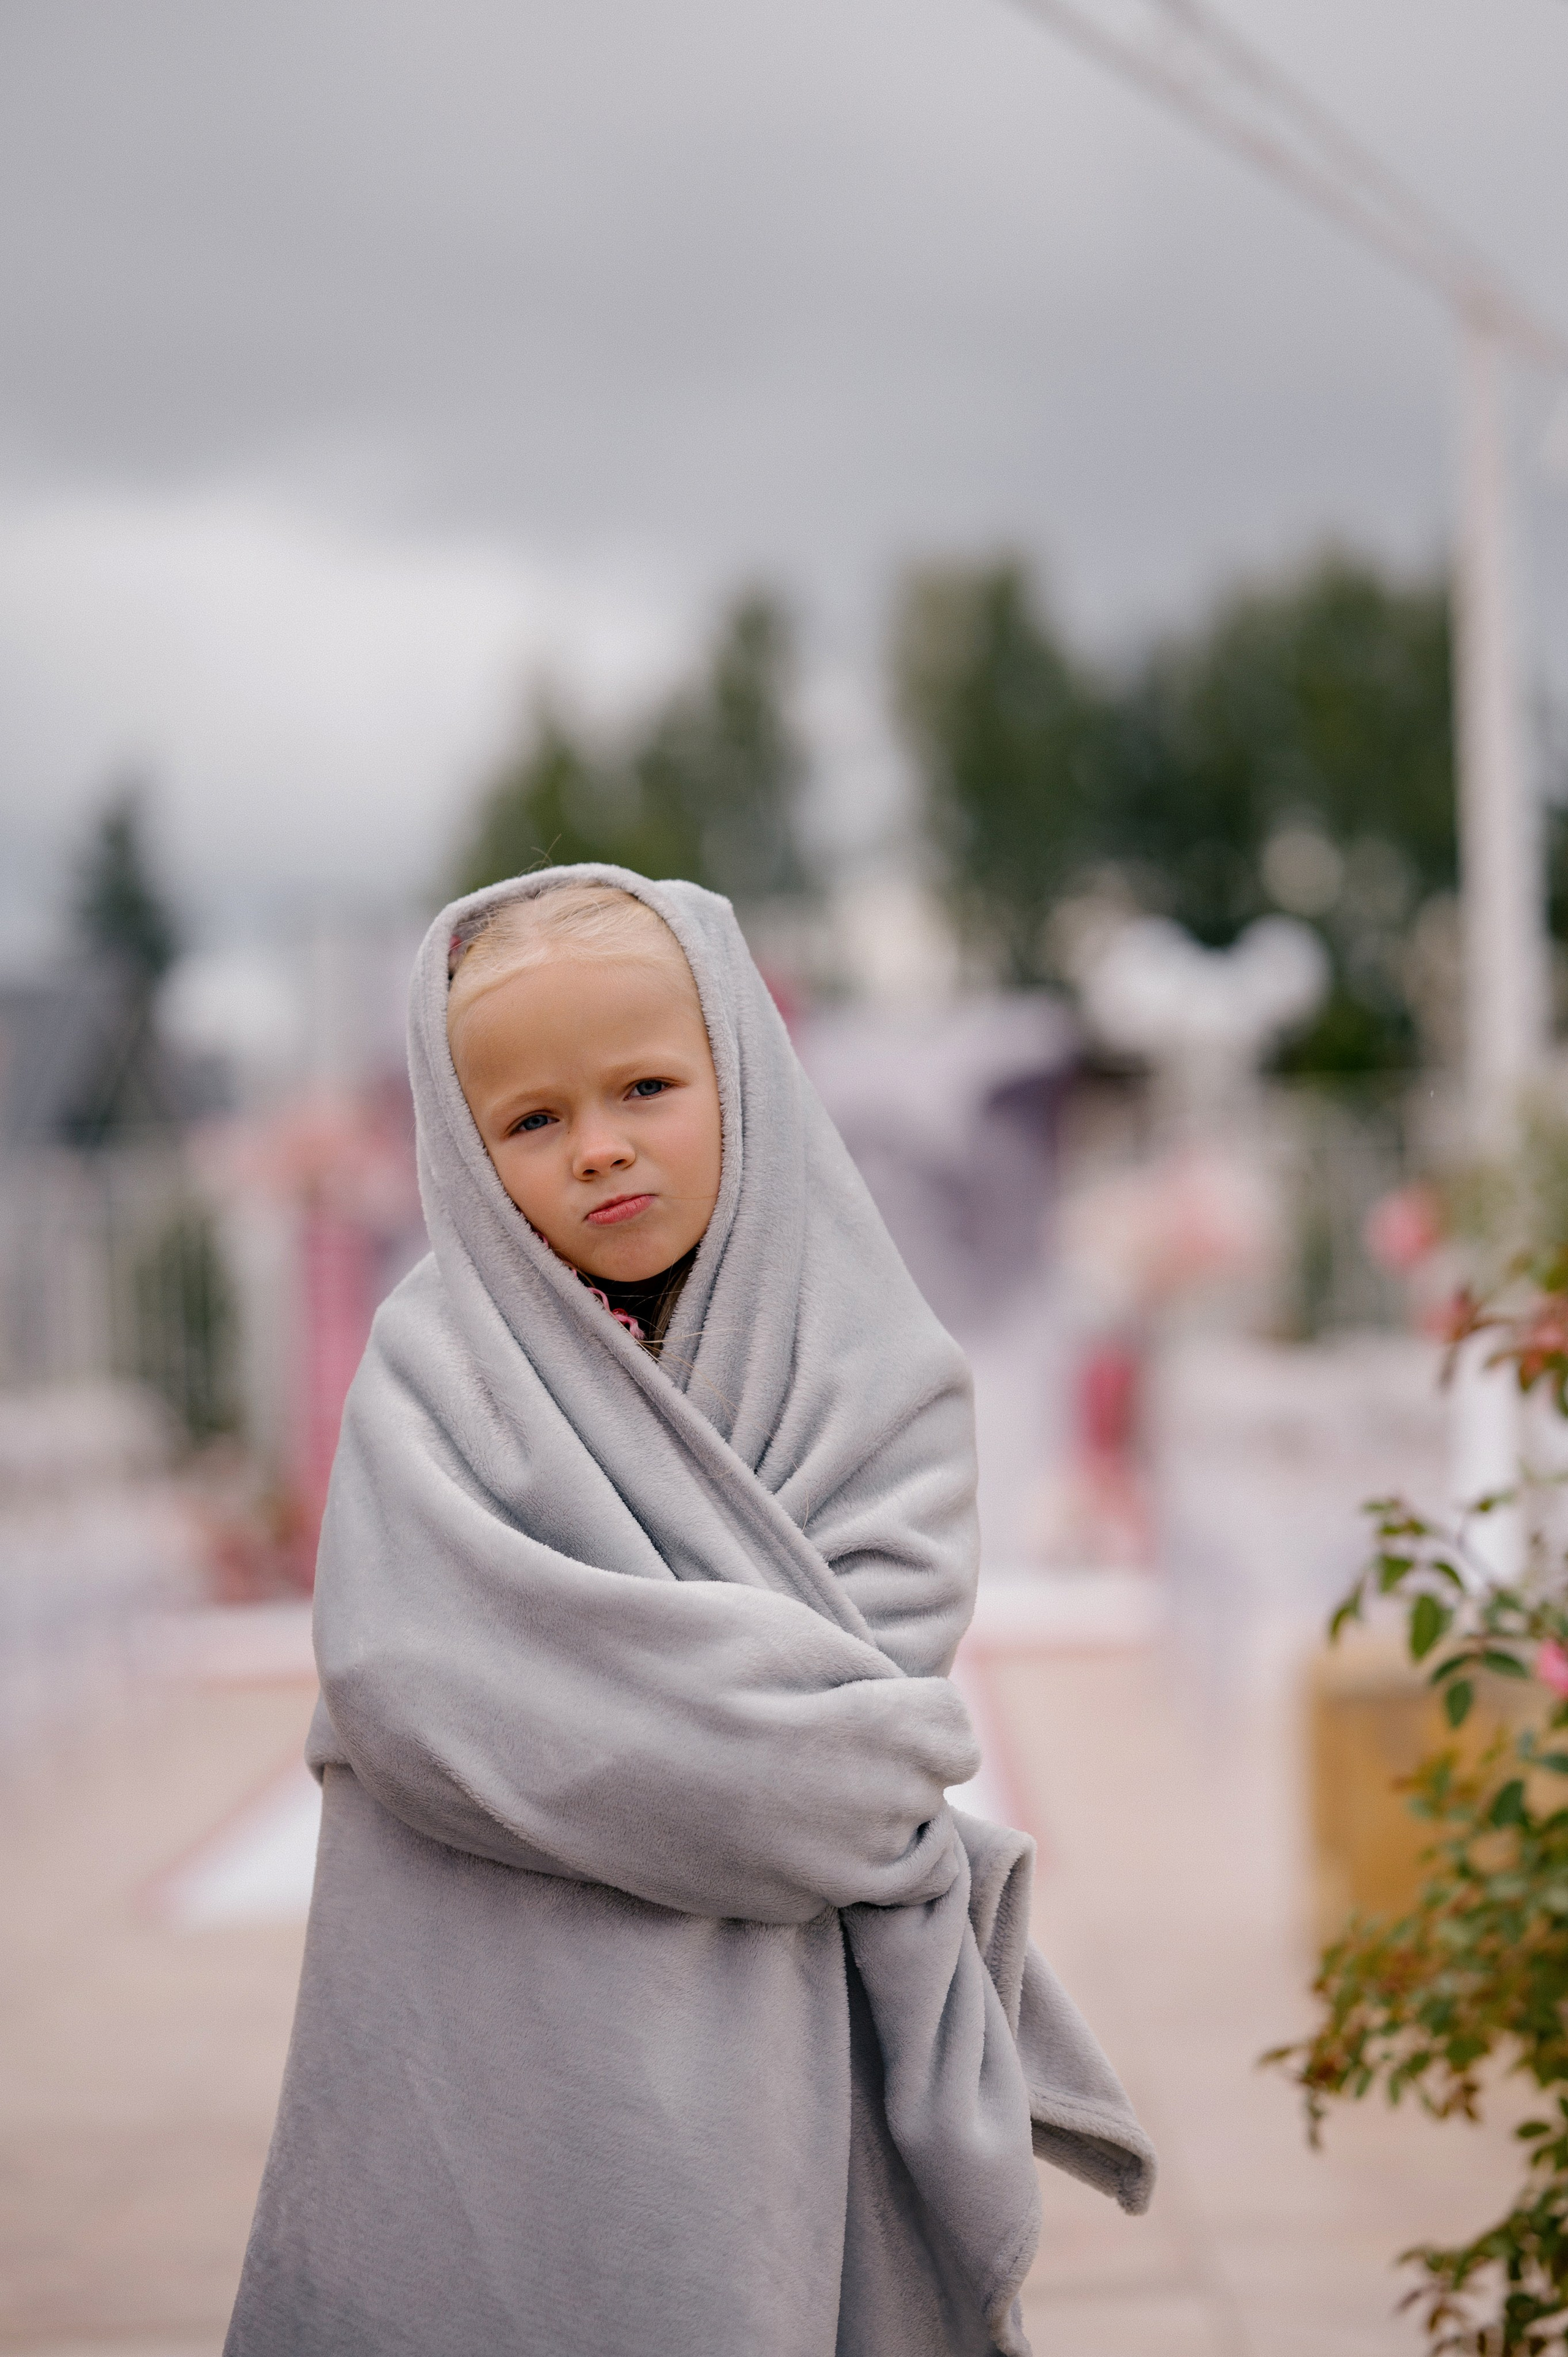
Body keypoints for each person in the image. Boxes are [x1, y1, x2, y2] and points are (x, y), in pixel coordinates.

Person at [225, 869, 1153, 2357]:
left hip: (768, 2011)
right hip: (494, 2003)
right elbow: (409, 1665)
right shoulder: (433, 1372)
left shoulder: (866, 1361)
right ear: (460, 1151)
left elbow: (871, 1713)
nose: (597, 1149)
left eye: (645, 1086)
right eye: (528, 1121)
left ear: (740, 1071)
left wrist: (644, 1719)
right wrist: (771, 1753)